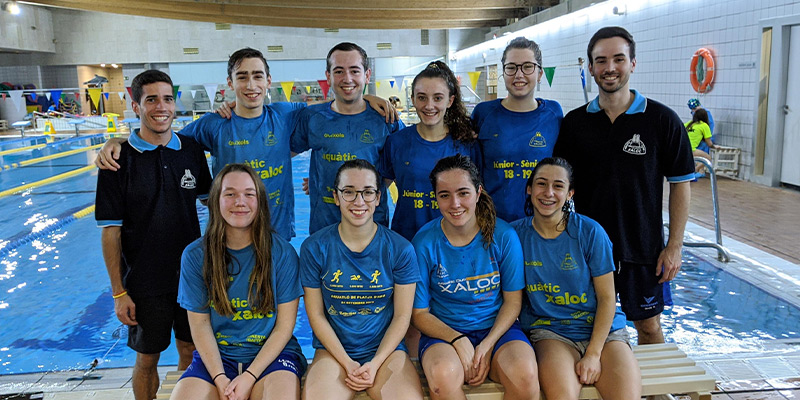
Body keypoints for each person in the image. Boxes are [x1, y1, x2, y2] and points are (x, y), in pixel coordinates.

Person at [95, 47, 394, 240]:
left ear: (268, 81)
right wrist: (119, 140)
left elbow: (336, 106)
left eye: (257, 76)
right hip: (229, 236)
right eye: (242, 77)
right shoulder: (214, 124)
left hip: (277, 234)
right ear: (230, 83)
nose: (251, 85)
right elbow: (164, 137)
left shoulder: (286, 114)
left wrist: (368, 97)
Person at [554, 26, 695, 344]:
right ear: (591, 68)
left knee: (648, 325)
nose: (610, 68)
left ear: (633, 63)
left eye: (618, 59)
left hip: (643, 247)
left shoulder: (662, 120)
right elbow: (560, 186)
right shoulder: (575, 123)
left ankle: (652, 381)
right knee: (588, 324)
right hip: (588, 247)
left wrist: (674, 246)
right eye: (601, 60)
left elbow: (680, 184)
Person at [95, 70, 212, 400]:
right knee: (148, 358)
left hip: (191, 275)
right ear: (135, 106)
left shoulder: (190, 150)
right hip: (145, 280)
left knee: (191, 350)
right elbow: (110, 232)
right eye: (151, 100)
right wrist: (119, 293)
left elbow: (213, 204)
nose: (161, 107)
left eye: (168, 99)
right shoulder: (117, 160)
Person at [511, 157, 641, 400]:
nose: (549, 192)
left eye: (558, 186)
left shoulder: (590, 232)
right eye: (541, 184)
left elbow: (607, 298)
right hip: (551, 332)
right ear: (529, 189)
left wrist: (593, 354)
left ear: (569, 194)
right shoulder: (515, 236)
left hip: (605, 333)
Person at [172, 164, 306, 400]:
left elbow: (284, 326)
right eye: (230, 194)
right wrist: (220, 378)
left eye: (249, 194)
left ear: (260, 201)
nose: (240, 202)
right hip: (218, 357)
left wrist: (249, 376)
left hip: (273, 356)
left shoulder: (282, 253)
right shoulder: (196, 256)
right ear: (216, 200)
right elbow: (200, 325)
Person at [411, 155, 539, 400]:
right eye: (445, 195)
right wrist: (457, 340)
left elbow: (513, 302)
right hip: (444, 332)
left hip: (497, 330)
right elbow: (419, 314)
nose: (455, 203)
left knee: (525, 375)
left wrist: (488, 345)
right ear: (435, 198)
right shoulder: (424, 243)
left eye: (463, 193)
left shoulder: (503, 236)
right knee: (442, 377)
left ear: (478, 192)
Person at [299, 159, 423, 400]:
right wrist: (347, 362)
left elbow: (402, 316)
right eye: (349, 192)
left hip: (386, 352)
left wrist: (375, 363)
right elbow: (316, 316)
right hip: (333, 353)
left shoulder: (400, 249)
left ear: (378, 198)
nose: (359, 201)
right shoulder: (314, 248)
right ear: (336, 197)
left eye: (367, 192)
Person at [291, 42, 405, 235]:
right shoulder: (312, 118)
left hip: (373, 229)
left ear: (367, 75)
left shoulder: (386, 119)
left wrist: (369, 191)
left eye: (354, 71)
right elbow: (277, 154)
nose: (347, 78)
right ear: (328, 77)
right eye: (339, 71)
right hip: (326, 231)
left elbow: (405, 163)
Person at [378, 61, 479, 242]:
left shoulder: (466, 143)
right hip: (407, 240)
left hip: (455, 242)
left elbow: (479, 195)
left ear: (450, 101)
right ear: (413, 99)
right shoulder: (397, 142)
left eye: (438, 98)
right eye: (422, 97)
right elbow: (376, 191)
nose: (429, 105)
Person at [472, 37, 563, 223]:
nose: (519, 75)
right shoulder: (483, 113)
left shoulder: (554, 113)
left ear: (540, 73)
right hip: (493, 223)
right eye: (511, 67)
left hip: (541, 223)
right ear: (503, 72)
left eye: (528, 67)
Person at [685, 108, 715, 174]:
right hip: (691, 149)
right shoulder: (704, 125)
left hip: (681, 148)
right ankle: (696, 170)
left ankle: (695, 171)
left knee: (697, 157)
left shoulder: (689, 123)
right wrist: (715, 147)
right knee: (708, 158)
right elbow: (709, 143)